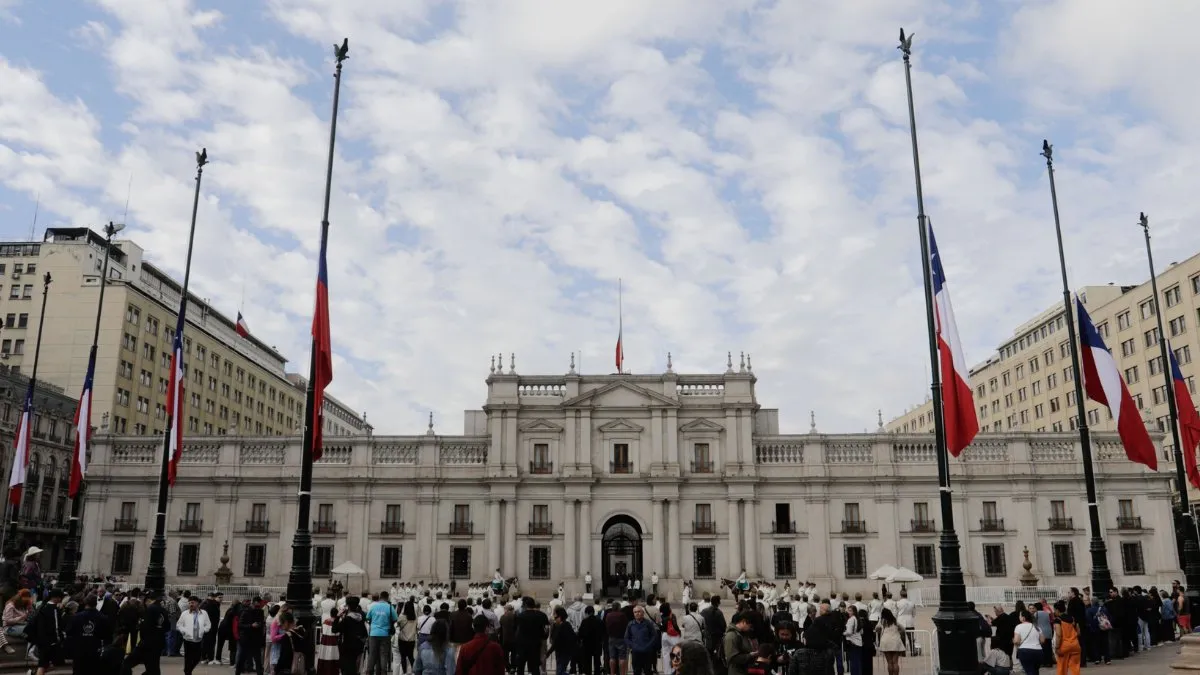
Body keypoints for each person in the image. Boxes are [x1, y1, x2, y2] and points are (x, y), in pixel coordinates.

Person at [123, 590, 169, 675]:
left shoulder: (150, 609)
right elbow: (167, 627)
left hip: (147, 643)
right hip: (158, 643)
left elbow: (145, 627)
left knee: (126, 663)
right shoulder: (163, 610)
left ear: (148, 600)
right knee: (153, 668)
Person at [67, 594, 112, 675]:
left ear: (85, 602)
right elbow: (108, 636)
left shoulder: (76, 617)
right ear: (96, 603)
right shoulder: (103, 618)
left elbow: (69, 632)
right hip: (96, 651)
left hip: (79, 651)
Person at [29, 588, 66, 675]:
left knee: (44, 664)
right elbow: (56, 627)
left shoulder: (43, 606)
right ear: (57, 597)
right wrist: (59, 639)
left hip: (42, 640)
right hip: (50, 642)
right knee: (45, 665)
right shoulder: (54, 609)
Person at [331, 596, 368, 675]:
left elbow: (334, 629)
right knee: (354, 668)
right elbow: (365, 633)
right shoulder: (360, 618)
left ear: (348, 606)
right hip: (358, 647)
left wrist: (338, 616)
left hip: (347, 647)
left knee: (347, 668)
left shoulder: (347, 620)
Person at [177, 595, 213, 675]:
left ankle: (187, 670)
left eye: (192, 603)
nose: (191, 604)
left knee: (197, 658)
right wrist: (184, 631)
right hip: (188, 640)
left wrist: (204, 630)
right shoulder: (185, 613)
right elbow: (179, 625)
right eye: (189, 603)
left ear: (198, 603)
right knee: (188, 658)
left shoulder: (204, 613)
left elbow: (208, 624)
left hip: (198, 640)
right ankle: (188, 672)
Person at [367, 591, 398, 675]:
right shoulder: (390, 607)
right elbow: (395, 619)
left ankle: (369, 672)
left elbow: (368, 618)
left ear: (380, 597)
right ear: (387, 598)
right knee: (383, 655)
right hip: (385, 634)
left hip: (373, 634)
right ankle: (383, 673)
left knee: (372, 655)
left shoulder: (373, 606)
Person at [516, 597, 549, 675]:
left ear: (525, 605)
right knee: (535, 667)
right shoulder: (540, 616)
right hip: (535, 644)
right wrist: (544, 637)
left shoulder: (520, 616)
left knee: (520, 667)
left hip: (522, 645)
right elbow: (545, 630)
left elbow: (517, 631)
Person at [625, 605, 659, 675]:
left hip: (647, 652)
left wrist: (649, 646)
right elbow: (626, 638)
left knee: (648, 671)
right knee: (636, 671)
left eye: (639, 612)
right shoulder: (630, 624)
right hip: (636, 652)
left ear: (643, 613)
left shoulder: (648, 623)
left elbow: (654, 636)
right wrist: (633, 646)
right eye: (635, 612)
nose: (637, 613)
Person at [238, 596, 268, 675]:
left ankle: (259, 672)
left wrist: (260, 625)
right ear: (255, 602)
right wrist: (251, 625)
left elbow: (261, 623)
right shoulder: (245, 611)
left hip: (256, 639)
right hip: (246, 639)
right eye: (259, 602)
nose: (260, 604)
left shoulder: (260, 611)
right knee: (243, 658)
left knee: (258, 660)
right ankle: (239, 671)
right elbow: (240, 625)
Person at [0, 588, 32, 654]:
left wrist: (29, 610)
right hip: (9, 627)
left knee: (33, 628)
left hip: (20, 624)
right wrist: (21, 617)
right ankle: (30, 652)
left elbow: (27, 617)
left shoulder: (23, 605)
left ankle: (31, 650)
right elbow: (8, 621)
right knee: (29, 629)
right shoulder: (10, 606)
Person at [873, 608, 905, 675]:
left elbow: (876, 628)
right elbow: (903, 628)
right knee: (895, 662)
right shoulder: (894, 621)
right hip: (895, 641)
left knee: (889, 662)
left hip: (885, 641)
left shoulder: (882, 621)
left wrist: (880, 630)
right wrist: (899, 631)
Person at [1054, 601, 1081, 675]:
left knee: (1062, 668)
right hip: (1075, 645)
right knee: (1075, 668)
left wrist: (1057, 647)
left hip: (1064, 646)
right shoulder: (1072, 618)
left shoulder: (1058, 620)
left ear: (1057, 610)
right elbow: (1078, 632)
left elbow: (1058, 635)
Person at [1014, 610, 1044, 675]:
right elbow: (1042, 640)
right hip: (1038, 651)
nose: (1019, 617)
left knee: (1029, 671)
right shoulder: (1037, 627)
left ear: (1023, 618)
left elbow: (1016, 641)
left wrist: (1015, 642)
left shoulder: (1018, 626)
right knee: (1035, 671)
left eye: (1020, 615)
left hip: (1025, 652)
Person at [549, 607, 578, 675]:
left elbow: (557, 640)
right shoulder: (556, 625)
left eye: (555, 616)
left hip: (565, 652)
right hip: (559, 652)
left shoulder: (565, 625)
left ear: (560, 617)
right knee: (560, 671)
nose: (554, 618)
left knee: (560, 672)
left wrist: (548, 653)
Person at [397, 599, 419, 675]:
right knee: (411, 656)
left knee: (403, 657)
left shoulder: (402, 617)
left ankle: (404, 672)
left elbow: (397, 625)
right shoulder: (415, 618)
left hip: (402, 639)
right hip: (411, 639)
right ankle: (414, 671)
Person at [843, 605, 863, 675]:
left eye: (850, 611)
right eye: (848, 610)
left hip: (852, 642)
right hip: (858, 642)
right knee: (857, 662)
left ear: (854, 612)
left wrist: (843, 633)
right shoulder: (857, 618)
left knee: (853, 662)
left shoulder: (851, 619)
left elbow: (849, 632)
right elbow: (861, 632)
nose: (848, 612)